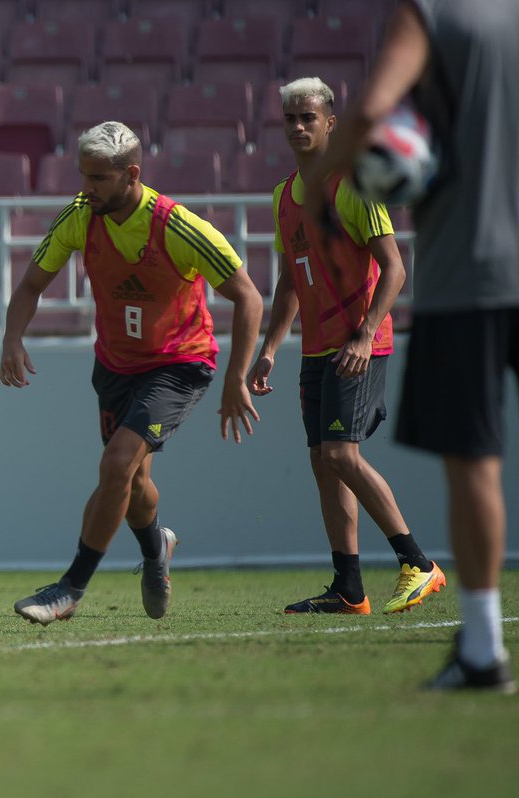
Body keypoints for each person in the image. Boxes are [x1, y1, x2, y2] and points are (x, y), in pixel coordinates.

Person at [304, 0, 518, 692]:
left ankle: (483, 650)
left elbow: (370, 113)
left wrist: (321, 186)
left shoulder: (433, 13)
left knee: (475, 464)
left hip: (473, 272)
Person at [1, 121, 263, 624]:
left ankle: (69, 589)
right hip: (115, 367)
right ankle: (156, 548)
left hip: (178, 364)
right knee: (134, 482)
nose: (86, 188)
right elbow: (31, 284)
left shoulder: (178, 226)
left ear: (131, 175)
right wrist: (12, 339)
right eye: (83, 175)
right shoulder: (80, 216)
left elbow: (248, 296)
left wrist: (235, 378)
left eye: (98, 178)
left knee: (117, 465)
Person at [248, 77, 445, 616]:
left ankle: (419, 563)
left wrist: (364, 332)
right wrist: (267, 349)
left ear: (330, 123)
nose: (298, 126)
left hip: (361, 344)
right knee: (322, 462)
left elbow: (396, 268)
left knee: (340, 453)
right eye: (290, 118)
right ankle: (348, 588)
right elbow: (290, 281)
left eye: (308, 117)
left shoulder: (354, 186)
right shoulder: (283, 197)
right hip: (316, 352)